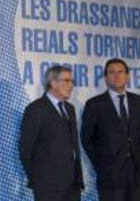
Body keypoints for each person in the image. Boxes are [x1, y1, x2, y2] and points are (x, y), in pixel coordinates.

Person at [81, 58, 140, 201]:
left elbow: (137, 137)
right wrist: (101, 163)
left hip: (137, 176)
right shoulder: (94, 104)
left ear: (128, 76)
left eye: (120, 72)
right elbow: (86, 139)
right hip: (110, 177)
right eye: (111, 72)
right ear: (105, 78)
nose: (116, 76)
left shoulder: (139, 102)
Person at [19, 65, 84, 201]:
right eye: (66, 81)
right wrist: (39, 180)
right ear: (53, 83)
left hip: (72, 186)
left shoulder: (70, 109)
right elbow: (26, 149)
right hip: (47, 188)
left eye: (72, 81)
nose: (71, 85)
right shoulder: (36, 109)